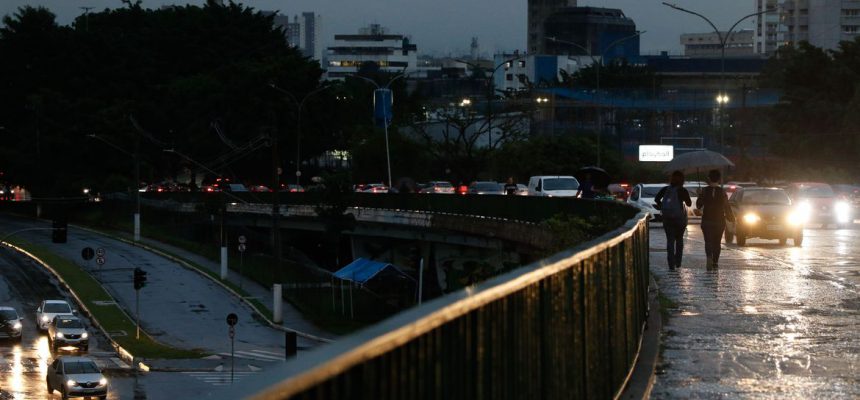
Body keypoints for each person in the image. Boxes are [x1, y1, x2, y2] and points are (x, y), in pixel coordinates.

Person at [654, 171, 692, 269]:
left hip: (667, 219)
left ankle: (671, 264)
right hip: (680, 219)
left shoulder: (665, 189)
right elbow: (689, 204)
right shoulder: (682, 190)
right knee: (679, 240)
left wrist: (662, 206)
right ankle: (678, 262)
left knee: (670, 241)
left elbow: (656, 199)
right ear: (682, 180)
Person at [696, 169, 734, 268]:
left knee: (708, 241)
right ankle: (715, 262)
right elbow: (727, 206)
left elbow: (698, 206)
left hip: (707, 220)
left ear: (709, 178)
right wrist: (731, 218)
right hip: (719, 221)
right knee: (717, 242)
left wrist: (699, 195)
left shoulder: (704, 191)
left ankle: (709, 257)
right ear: (719, 179)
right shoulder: (722, 192)